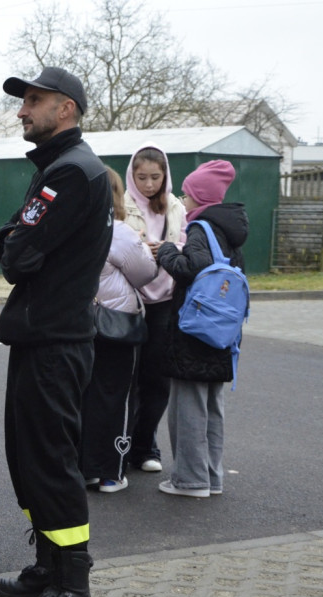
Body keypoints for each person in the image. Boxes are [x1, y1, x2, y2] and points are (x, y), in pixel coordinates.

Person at [0, 66, 111, 597]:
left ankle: (74, 593)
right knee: (28, 459)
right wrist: (12, 240)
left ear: (65, 108)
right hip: (42, 338)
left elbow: (14, 254)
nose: (21, 111)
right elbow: (11, 243)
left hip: (56, 343)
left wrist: (11, 241)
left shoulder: (71, 174)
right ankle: (48, 566)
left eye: (32, 101)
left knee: (53, 467)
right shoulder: (60, 170)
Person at [155, 160, 247, 499]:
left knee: (188, 405)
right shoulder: (231, 229)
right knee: (212, 407)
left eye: (189, 192)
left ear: (201, 196)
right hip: (222, 332)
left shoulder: (201, 228)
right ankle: (212, 476)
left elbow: (192, 267)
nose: (183, 196)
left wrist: (166, 252)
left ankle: (190, 480)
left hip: (194, 331)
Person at [79, 167, 158, 493]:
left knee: (82, 395)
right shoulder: (120, 232)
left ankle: (83, 467)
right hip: (116, 325)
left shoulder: (73, 227)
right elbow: (145, 273)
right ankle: (110, 471)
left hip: (79, 322)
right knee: (114, 397)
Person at [123, 145, 188, 473]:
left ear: (165, 177)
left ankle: (145, 445)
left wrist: (167, 248)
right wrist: (136, 245)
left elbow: (186, 247)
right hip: (127, 301)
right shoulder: (121, 204)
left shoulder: (176, 206)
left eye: (155, 177)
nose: (148, 184)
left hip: (165, 301)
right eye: (142, 177)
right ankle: (119, 445)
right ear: (131, 176)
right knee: (125, 380)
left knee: (158, 380)